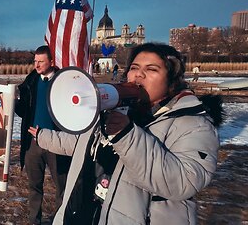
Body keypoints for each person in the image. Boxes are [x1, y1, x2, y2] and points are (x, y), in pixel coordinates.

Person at [31, 43, 222, 224]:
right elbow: (83, 143)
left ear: (172, 80)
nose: (139, 75)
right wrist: (43, 137)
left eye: (152, 69)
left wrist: (126, 135)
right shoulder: (118, 111)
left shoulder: (194, 124)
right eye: (134, 67)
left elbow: (184, 181)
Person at [14, 45, 71, 225]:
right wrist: (13, 101)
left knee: (62, 186)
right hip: (33, 143)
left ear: (51, 62)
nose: (36, 65)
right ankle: (35, 221)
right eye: (35, 61)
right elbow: (23, 111)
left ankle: (60, 220)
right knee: (34, 186)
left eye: (40, 61)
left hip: (56, 142)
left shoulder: (64, 82)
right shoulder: (30, 81)